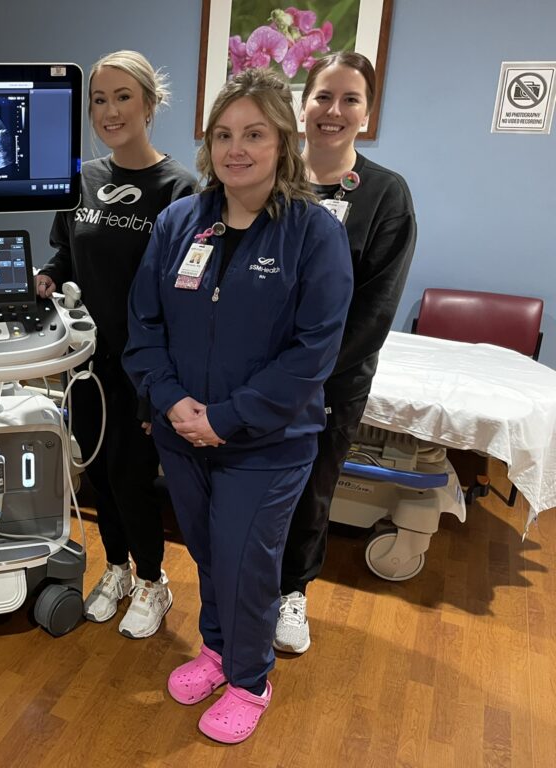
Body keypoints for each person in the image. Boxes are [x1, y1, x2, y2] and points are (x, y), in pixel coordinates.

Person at [123, 68, 353, 743]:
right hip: (180, 432)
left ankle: (250, 680)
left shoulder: (313, 234)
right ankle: (217, 651)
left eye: (254, 133)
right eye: (224, 134)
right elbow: (143, 326)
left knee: (246, 559)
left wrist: (225, 416)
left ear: (283, 142)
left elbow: (314, 351)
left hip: (267, 441)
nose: (237, 149)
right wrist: (172, 403)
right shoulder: (179, 223)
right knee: (208, 553)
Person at [35, 50, 195, 639]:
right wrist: (49, 275)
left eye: (123, 97)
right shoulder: (80, 178)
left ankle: (155, 580)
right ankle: (118, 568)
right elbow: (65, 252)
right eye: (98, 100)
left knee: (132, 476)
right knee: (97, 474)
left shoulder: (179, 187)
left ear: (150, 105)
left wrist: (164, 391)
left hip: (142, 367)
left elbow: (184, 294)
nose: (109, 110)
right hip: (84, 362)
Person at [275, 52, 417, 655]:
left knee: (311, 486)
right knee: (247, 485)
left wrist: (304, 376)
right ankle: (241, 583)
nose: (333, 111)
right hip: (252, 374)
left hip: (330, 383)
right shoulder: (268, 178)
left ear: (367, 111)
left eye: (349, 99)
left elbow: (377, 309)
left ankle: (292, 593)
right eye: (323, 96)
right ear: (302, 105)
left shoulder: (385, 195)